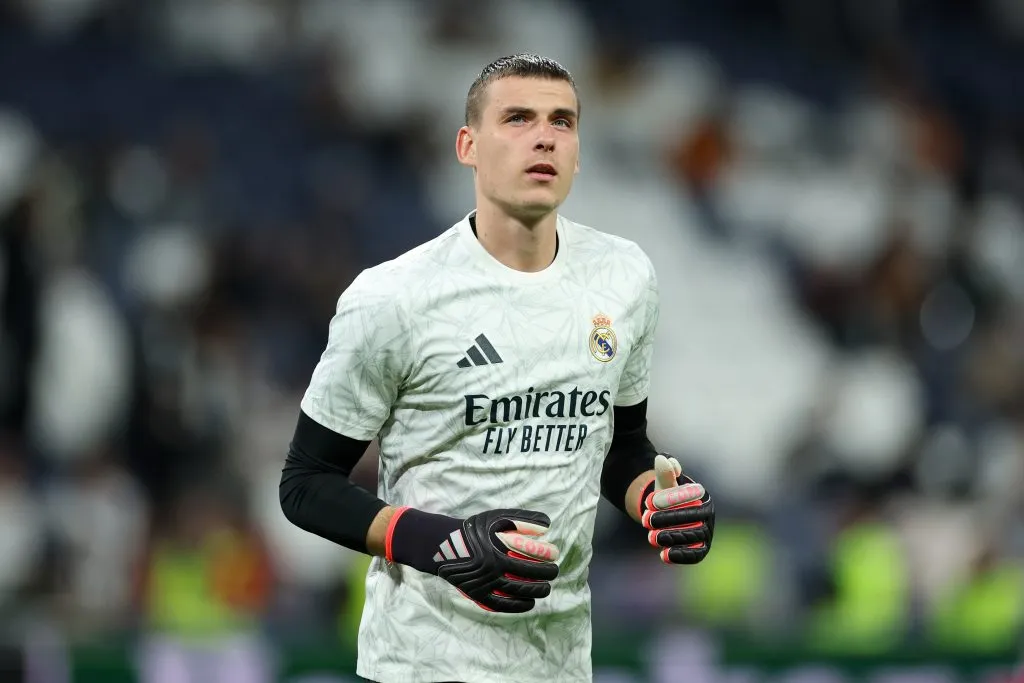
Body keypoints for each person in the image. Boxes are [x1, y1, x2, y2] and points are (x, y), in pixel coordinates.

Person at [280, 53, 715, 683]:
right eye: (517, 118)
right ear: (468, 146)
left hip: (560, 665)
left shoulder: (625, 278)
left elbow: (619, 448)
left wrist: (657, 500)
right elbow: (306, 483)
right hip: (422, 666)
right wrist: (445, 544)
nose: (544, 136)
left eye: (562, 122)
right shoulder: (394, 298)